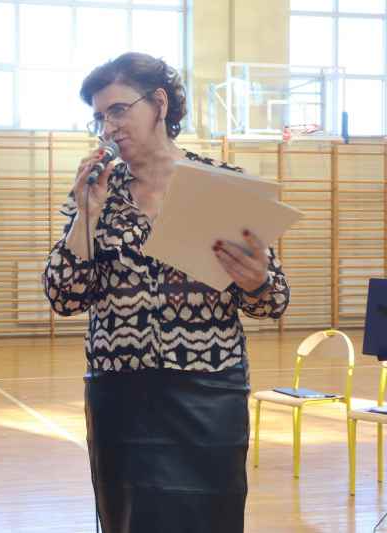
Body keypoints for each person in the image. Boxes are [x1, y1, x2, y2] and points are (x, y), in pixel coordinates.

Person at [43, 52, 290, 533]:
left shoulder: (224, 186)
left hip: (209, 394)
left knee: (211, 520)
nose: (108, 127)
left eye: (118, 110)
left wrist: (257, 280)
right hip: (121, 396)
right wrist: (85, 215)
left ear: (159, 103)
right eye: (99, 117)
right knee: (127, 521)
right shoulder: (98, 193)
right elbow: (64, 297)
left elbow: (273, 301)